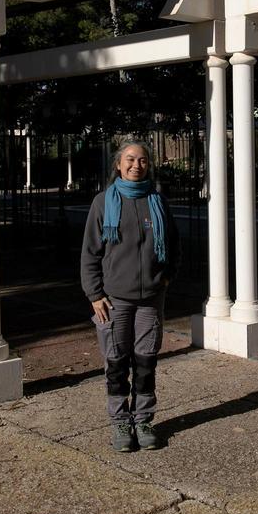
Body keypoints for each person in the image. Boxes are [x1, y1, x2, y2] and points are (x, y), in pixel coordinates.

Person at [81, 140, 179, 452]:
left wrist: (165, 278)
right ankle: (120, 422)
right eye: (130, 159)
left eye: (143, 160)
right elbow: (90, 254)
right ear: (119, 165)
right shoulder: (103, 203)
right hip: (113, 299)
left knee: (146, 361)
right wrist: (95, 294)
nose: (137, 165)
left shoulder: (157, 202)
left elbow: (175, 246)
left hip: (150, 298)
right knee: (116, 363)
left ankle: (144, 420)